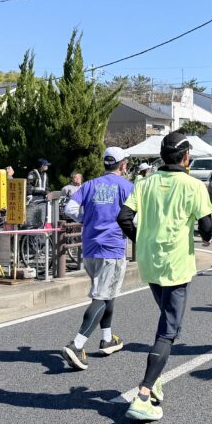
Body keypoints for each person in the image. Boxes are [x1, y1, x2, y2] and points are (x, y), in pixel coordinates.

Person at [118, 132, 212, 422]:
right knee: (169, 329)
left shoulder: (143, 183)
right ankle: (144, 393)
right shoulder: (194, 185)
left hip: (150, 263)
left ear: (162, 156)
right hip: (176, 264)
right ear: (186, 158)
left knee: (169, 320)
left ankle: (155, 378)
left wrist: (141, 239)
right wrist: (205, 235)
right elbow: (207, 228)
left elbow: (123, 217)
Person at [61, 148, 133, 371]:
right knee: (102, 296)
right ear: (122, 165)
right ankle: (77, 344)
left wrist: (87, 218)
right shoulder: (127, 187)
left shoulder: (90, 184)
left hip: (90, 246)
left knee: (107, 292)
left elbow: (69, 207)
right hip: (111, 247)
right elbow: (134, 217)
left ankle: (108, 338)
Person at [26, 157, 51, 227]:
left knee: (41, 220)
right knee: (32, 219)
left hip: (43, 200)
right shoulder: (32, 174)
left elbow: (47, 187)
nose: (47, 166)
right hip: (34, 199)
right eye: (46, 165)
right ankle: (29, 236)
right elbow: (29, 186)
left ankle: (40, 235)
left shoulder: (45, 175)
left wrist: (48, 193)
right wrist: (30, 195)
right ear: (42, 166)